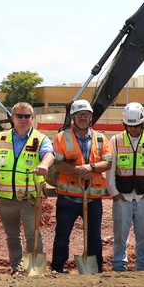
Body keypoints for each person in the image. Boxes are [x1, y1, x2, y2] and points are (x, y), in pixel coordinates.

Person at [0, 103, 54, 275]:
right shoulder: (0, 138)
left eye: (27, 116)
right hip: (5, 197)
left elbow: (49, 154)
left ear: (33, 118)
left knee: (33, 234)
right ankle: (16, 267)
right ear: (12, 118)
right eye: (19, 116)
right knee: (12, 235)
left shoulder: (40, 139)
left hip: (29, 197)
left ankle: (35, 269)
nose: (23, 119)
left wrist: (44, 165)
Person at [51, 99, 112, 274]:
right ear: (73, 117)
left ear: (91, 116)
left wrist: (91, 167)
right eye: (79, 115)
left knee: (94, 237)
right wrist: (78, 170)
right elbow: (57, 164)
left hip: (92, 199)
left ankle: (96, 269)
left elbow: (107, 163)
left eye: (86, 114)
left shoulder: (101, 139)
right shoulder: (62, 137)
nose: (83, 118)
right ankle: (57, 268)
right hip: (68, 198)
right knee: (62, 235)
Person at [106, 103, 144, 272]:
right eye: (130, 126)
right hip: (122, 198)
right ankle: (119, 266)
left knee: (143, 237)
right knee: (119, 236)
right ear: (125, 124)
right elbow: (110, 170)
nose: (133, 129)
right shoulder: (115, 141)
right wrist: (114, 194)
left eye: (137, 126)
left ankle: (143, 267)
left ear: (143, 123)